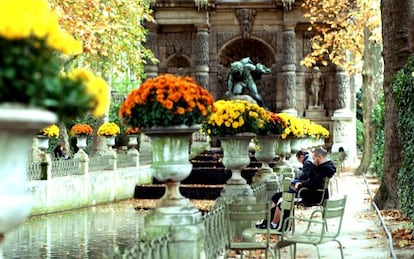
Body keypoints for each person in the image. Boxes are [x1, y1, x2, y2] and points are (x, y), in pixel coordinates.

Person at [256, 148, 336, 229]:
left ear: (319, 157)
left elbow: (314, 184)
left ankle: (274, 225)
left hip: (311, 196)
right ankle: (267, 222)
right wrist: (302, 183)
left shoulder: (324, 169)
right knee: (276, 196)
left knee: (283, 200)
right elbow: (312, 180)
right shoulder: (322, 167)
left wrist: (300, 185)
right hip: (308, 193)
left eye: (314, 158)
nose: (313, 160)